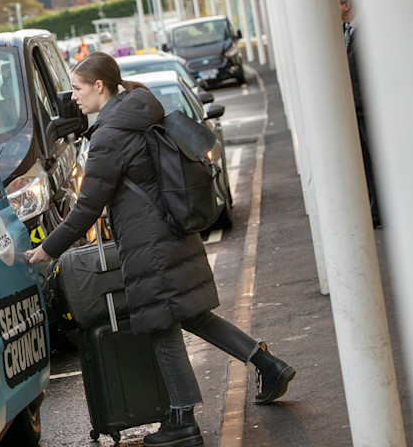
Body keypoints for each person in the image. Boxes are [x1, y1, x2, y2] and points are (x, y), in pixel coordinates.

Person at [24, 52, 295, 447]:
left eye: (78, 88)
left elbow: (87, 206)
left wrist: (47, 249)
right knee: (193, 316)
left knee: (162, 327)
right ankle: (267, 364)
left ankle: (183, 421)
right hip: (169, 231)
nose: (74, 97)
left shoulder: (109, 135)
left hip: (148, 244)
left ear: (100, 86)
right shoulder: (138, 111)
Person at [338, 0, 380, 228]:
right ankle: (376, 210)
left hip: (367, 107)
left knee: (375, 159)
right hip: (356, 107)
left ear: (346, 5)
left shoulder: (366, 30)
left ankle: (379, 211)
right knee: (365, 161)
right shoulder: (346, 29)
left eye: (336, 2)